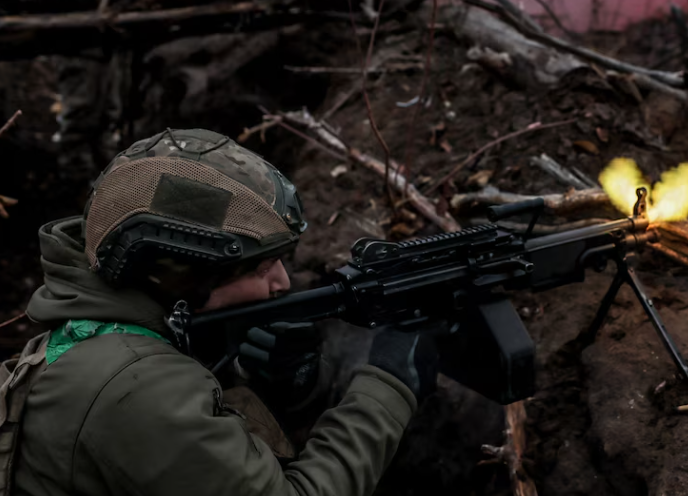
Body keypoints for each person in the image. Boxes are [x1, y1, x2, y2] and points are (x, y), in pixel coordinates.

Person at [0, 128, 437, 496]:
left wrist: (275, 385)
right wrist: (388, 386)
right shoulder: (135, 388)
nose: (282, 283)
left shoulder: (96, 341)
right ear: (184, 277)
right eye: (262, 267)